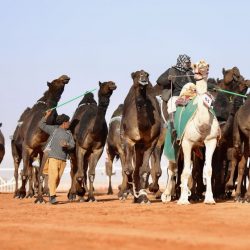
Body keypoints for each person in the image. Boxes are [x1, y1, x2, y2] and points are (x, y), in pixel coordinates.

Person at [39, 110, 75, 204]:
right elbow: (41, 125)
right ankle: (52, 196)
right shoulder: (54, 129)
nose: (69, 123)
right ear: (64, 123)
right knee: (53, 176)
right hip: (52, 157)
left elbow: (73, 145)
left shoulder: (69, 133)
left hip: (63, 160)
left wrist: (67, 144)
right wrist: (46, 115)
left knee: (58, 179)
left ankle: (52, 193)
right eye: (68, 121)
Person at [156, 54, 196, 136]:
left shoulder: (190, 72)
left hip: (190, 95)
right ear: (181, 62)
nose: (188, 64)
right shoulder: (172, 70)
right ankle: (172, 125)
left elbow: (197, 84)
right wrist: (168, 79)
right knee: (172, 102)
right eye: (186, 63)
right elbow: (159, 80)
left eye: (189, 63)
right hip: (177, 95)